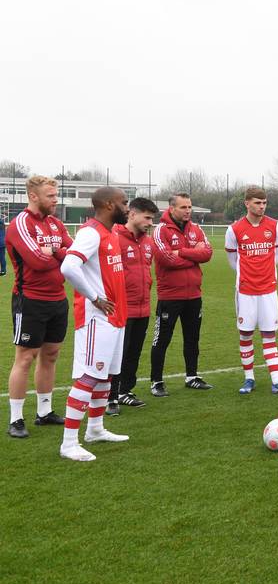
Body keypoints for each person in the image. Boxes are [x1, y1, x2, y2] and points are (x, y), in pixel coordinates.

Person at [58, 187, 131, 461]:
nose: (127, 208)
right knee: (89, 376)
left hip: (114, 317)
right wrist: (95, 297)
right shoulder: (90, 233)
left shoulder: (111, 233)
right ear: (109, 204)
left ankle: (96, 429)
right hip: (96, 318)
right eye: (124, 203)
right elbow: (68, 267)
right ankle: (68, 444)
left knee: (106, 377)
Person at [6, 175, 71, 438]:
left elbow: (74, 255)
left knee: (51, 354)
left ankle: (44, 412)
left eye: (56, 196)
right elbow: (37, 262)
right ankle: (16, 419)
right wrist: (59, 255)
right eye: (51, 196)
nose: (55, 200)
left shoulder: (56, 223)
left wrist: (53, 252)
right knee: (25, 357)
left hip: (58, 299)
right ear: (33, 196)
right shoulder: (20, 223)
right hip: (30, 300)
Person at [225, 186, 278, 395]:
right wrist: (246, 274)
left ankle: (277, 381)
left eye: (264, 203)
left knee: (269, 334)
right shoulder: (234, 229)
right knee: (246, 334)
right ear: (247, 203)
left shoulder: (275, 226)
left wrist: (266, 273)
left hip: (268, 290)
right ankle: (249, 379)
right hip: (246, 290)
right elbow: (233, 260)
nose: (262, 206)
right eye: (257, 203)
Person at [150, 192, 214, 395]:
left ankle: (192, 376)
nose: (188, 211)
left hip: (194, 295)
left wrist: (183, 252)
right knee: (162, 340)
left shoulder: (196, 228)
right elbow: (166, 259)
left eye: (189, 207)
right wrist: (195, 254)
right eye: (183, 207)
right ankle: (156, 382)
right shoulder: (161, 231)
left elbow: (208, 253)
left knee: (192, 338)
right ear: (171, 209)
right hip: (170, 296)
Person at [108, 197, 159, 414]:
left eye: (152, 218)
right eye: (146, 217)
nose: (149, 222)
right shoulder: (114, 237)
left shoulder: (148, 242)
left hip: (143, 307)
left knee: (134, 353)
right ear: (132, 214)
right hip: (121, 308)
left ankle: (125, 391)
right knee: (116, 353)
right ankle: (110, 398)